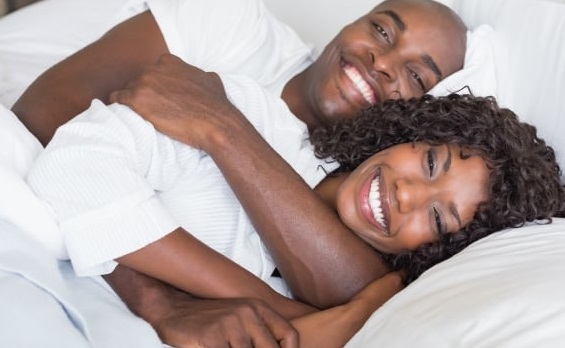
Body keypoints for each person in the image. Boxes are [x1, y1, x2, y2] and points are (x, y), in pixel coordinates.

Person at [15, 0, 471, 345]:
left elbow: (351, 292)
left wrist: (220, 124)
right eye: (382, 30)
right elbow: (45, 113)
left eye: (416, 77)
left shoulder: (369, 189)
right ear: (351, 22)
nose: (382, 63)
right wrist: (161, 301)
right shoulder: (234, 26)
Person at [27, 72, 565, 347]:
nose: (407, 194)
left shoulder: (369, 305)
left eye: (440, 219)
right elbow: (71, 170)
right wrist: (171, 305)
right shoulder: (255, 115)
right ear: (410, 133)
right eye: (429, 162)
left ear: (439, 251)